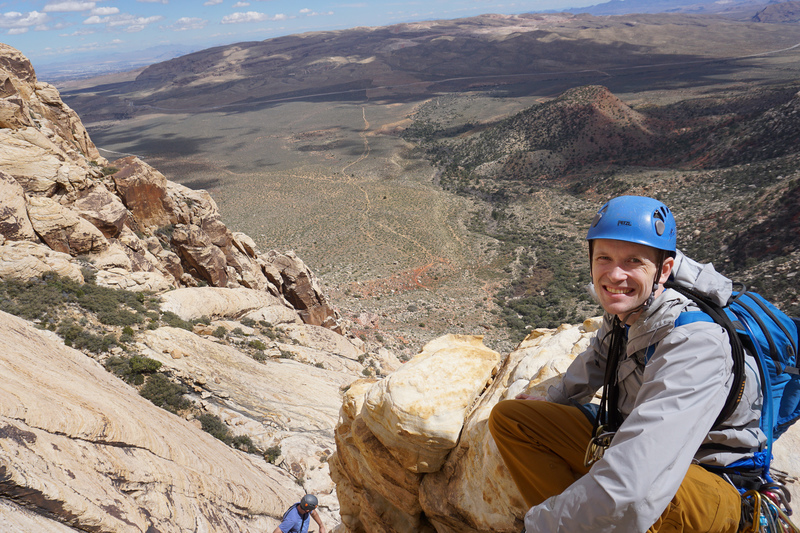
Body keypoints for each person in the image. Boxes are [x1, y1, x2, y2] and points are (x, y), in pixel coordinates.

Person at [488, 195, 765, 532]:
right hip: (644, 448)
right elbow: (598, 356)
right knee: (514, 420)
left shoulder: (695, 343)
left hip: (708, 478)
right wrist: (554, 401)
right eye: (604, 258)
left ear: (663, 270)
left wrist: (540, 526)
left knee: (643, 498)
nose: (615, 274)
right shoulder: (629, 312)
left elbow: (635, 483)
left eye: (633, 261)